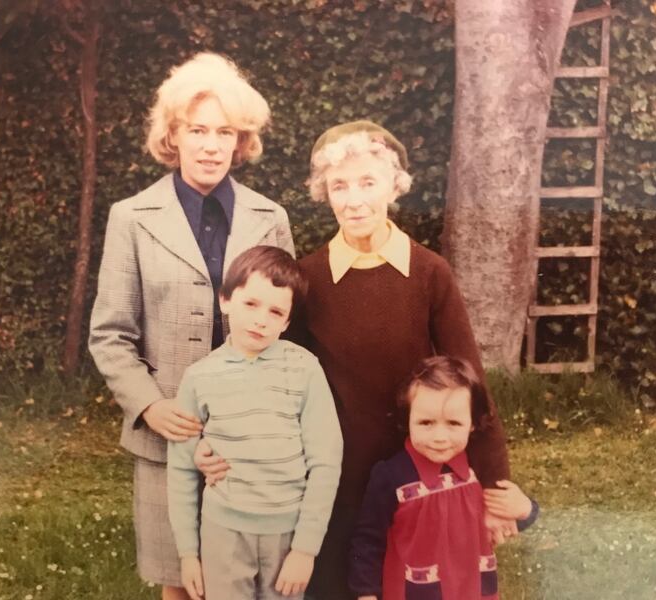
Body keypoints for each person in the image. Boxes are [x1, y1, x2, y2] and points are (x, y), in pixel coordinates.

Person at [196, 120, 513, 600]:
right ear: (325, 192)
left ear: (394, 185)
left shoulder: (430, 273)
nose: (354, 199)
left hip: (419, 470)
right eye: (339, 186)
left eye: (368, 183)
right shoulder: (309, 278)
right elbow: (268, 376)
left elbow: (471, 385)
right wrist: (217, 442)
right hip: (334, 477)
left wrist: (494, 485)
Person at [89, 53, 294, 600]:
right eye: (197, 130)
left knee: (251, 576)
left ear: (241, 141)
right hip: (168, 436)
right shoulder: (131, 218)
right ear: (172, 136)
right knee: (180, 581)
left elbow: (284, 326)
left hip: (250, 437)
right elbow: (110, 334)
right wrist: (149, 405)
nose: (210, 145)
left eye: (224, 131)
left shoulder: (269, 218)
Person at [167, 246, 342, 600]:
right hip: (224, 534)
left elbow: (326, 461)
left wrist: (305, 550)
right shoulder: (199, 377)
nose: (261, 319)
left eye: (275, 311)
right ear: (225, 300)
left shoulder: (305, 368)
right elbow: (182, 469)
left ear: (287, 322)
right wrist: (188, 554)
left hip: (287, 534)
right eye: (251, 304)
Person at [348, 356, 538, 600]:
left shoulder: (477, 472)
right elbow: (368, 541)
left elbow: (502, 522)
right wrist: (366, 594)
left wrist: (526, 509)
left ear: (471, 424)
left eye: (453, 423)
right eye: (426, 422)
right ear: (408, 420)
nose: (439, 437)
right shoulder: (391, 476)